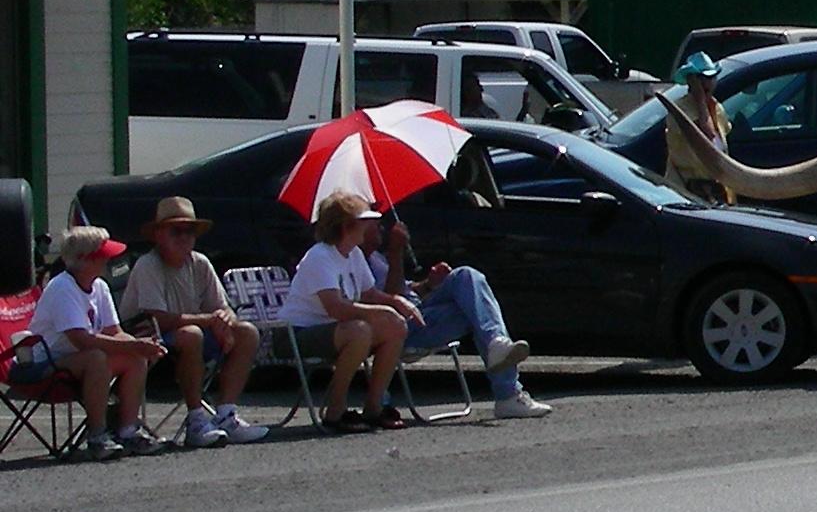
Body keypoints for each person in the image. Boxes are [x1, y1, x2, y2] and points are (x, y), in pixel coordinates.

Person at [375, 209, 551, 419]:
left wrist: (429, 284)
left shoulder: (375, 257)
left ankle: (496, 344)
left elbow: (405, 290)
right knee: (477, 309)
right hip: (400, 327)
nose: (381, 225)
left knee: (467, 278)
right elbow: (392, 301)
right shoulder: (353, 260)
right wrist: (396, 253)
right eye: (372, 221)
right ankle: (508, 393)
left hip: (420, 311)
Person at [117, 194, 263, 446]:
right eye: (177, 231)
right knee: (191, 333)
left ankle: (226, 414)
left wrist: (224, 321)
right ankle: (196, 420)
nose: (185, 237)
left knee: (246, 331)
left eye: (190, 231)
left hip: (192, 334)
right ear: (159, 234)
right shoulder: (148, 265)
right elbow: (156, 319)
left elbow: (222, 307)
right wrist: (210, 321)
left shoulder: (201, 263)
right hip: (148, 340)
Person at [19, 227, 164, 458]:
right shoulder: (62, 288)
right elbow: (81, 340)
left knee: (135, 357)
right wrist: (133, 345)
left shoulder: (100, 286)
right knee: (96, 358)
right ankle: (97, 436)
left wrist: (144, 346)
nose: (108, 260)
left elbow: (114, 332)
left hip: (78, 360)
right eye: (102, 255)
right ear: (85, 259)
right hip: (45, 364)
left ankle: (127, 431)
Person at [276, 192, 410, 431]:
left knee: (395, 326)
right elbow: (336, 308)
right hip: (295, 334)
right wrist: (380, 312)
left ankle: (374, 407)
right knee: (359, 330)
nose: (370, 226)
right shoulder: (320, 256)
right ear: (347, 226)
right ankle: (335, 410)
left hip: (336, 331)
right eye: (364, 220)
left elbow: (368, 293)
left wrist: (397, 302)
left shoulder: (354, 254)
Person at [663, 53, 732, 204]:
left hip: (716, 191)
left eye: (711, 78)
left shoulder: (717, 108)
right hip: (686, 193)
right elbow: (707, 135)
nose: (707, 83)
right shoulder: (680, 110)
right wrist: (700, 99)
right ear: (691, 81)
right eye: (701, 79)